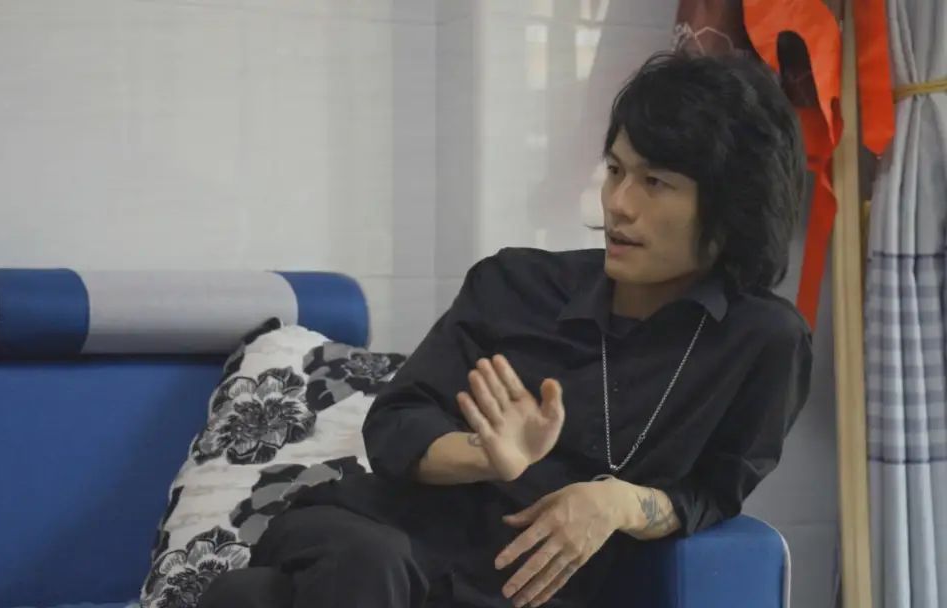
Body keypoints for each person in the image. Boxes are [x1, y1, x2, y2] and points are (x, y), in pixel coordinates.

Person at [198, 50, 812, 608]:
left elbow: (711, 493)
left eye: (655, 183)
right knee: (366, 564)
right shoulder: (516, 284)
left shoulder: (763, 342)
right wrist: (486, 456)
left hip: (512, 590)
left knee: (249, 598)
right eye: (615, 170)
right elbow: (395, 426)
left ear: (731, 204)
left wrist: (616, 501)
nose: (619, 203)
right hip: (373, 536)